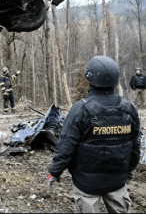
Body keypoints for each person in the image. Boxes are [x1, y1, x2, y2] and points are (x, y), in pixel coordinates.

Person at [48, 56, 141, 213]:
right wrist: (129, 171)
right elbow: (135, 145)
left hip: (86, 185)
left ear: (89, 77)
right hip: (117, 181)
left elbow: (66, 145)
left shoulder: (80, 109)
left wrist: (55, 170)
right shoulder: (129, 108)